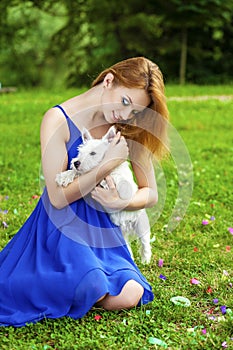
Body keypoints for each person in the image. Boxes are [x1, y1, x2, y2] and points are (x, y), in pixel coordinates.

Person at [0, 57, 169, 327]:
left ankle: (75, 284)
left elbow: (150, 193)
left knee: (131, 293)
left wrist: (122, 200)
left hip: (104, 229)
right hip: (62, 224)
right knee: (91, 281)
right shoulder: (57, 119)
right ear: (110, 80)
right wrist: (108, 164)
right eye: (125, 102)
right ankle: (51, 279)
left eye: (135, 111)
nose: (126, 115)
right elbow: (57, 197)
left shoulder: (126, 127)